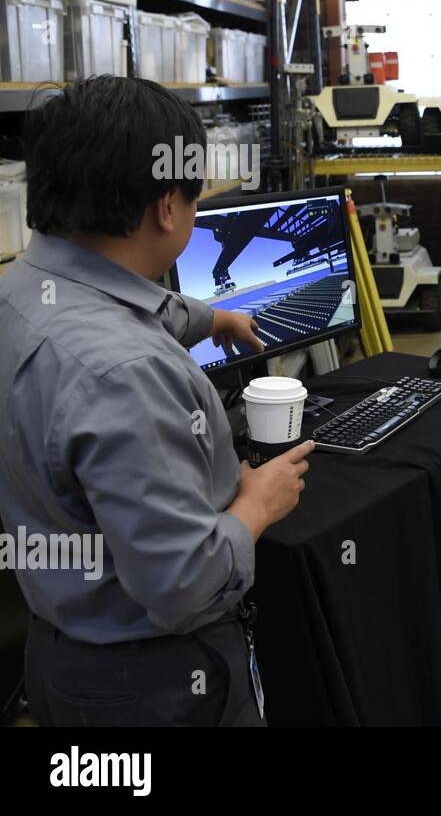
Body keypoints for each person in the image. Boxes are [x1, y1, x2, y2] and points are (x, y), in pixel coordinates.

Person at [0, 76, 314, 726]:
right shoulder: (127, 374)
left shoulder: (24, 289)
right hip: (157, 683)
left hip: (61, 656)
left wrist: (209, 320)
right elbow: (183, 583)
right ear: (168, 207)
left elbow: (105, 300)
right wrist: (257, 505)